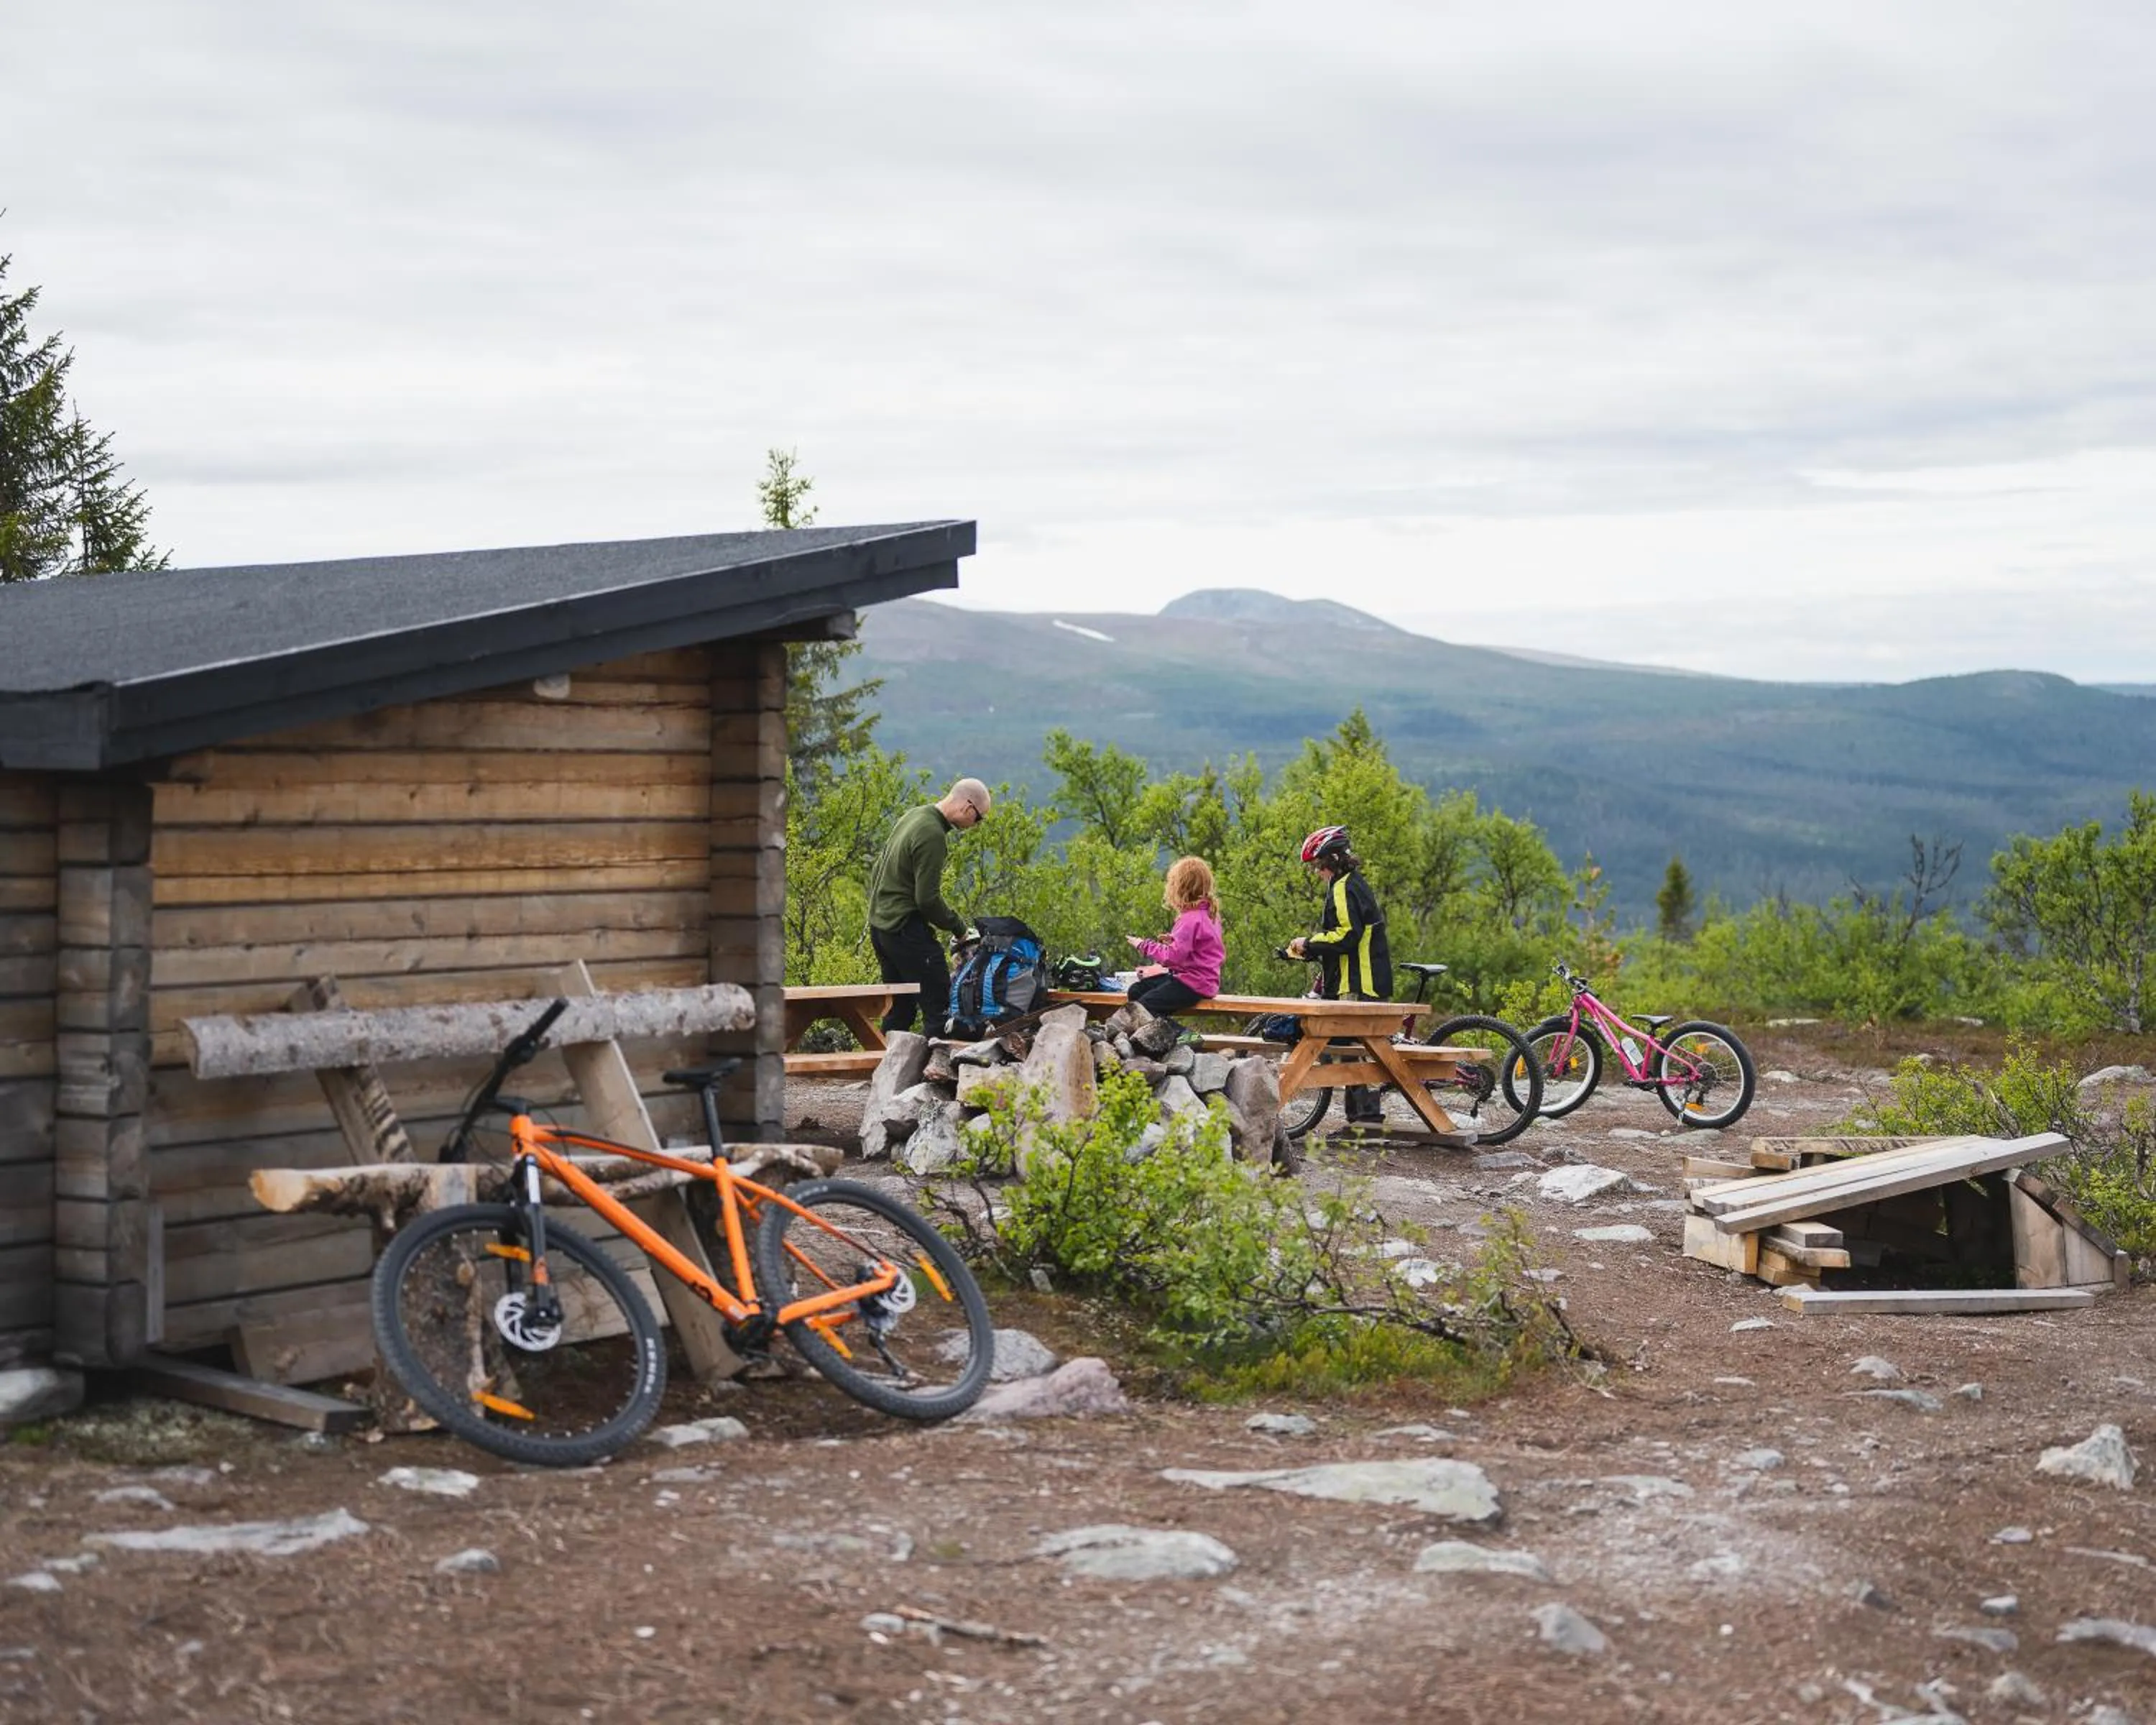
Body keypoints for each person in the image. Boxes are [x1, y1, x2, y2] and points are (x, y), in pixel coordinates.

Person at [865, 778, 990, 1037]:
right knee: (939, 1006)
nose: (977, 825)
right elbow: (927, 899)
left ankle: (886, 1071)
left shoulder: (915, 815)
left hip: (881, 928)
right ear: (968, 808)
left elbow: (878, 868)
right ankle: (938, 1074)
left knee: (900, 1009)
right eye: (979, 819)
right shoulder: (933, 834)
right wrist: (959, 929)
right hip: (905, 929)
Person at [1287, 824, 1392, 1126]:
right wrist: (1312, 949)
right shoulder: (1353, 884)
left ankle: (1366, 1119)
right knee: (1351, 1049)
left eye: (1318, 866)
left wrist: (1310, 942)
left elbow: (1348, 936)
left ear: (1332, 861)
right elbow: (1344, 938)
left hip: (1358, 981)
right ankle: (1362, 1118)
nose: (1317, 872)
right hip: (1359, 978)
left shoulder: (1344, 887)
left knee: (1348, 1047)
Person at [1123, 855, 1225, 1023]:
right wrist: (1173, 940)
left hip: (1193, 984)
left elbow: (1172, 957)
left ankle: (1178, 1035)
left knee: (1144, 1007)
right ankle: (1155, 1037)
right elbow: (1200, 948)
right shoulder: (1208, 914)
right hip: (1202, 980)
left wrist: (1143, 945)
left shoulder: (1189, 919)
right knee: (1136, 991)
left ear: (1179, 888)